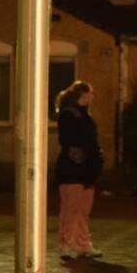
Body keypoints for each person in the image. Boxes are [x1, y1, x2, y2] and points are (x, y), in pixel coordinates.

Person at [55, 80, 104, 261]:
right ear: (83, 95)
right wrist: (82, 159)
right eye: (91, 93)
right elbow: (70, 141)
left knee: (83, 209)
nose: (93, 97)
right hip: (72, 169)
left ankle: (82, 244)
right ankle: (65, 244)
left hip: (87, 170)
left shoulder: (85, 116)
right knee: (71, 209)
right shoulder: (69, 115)